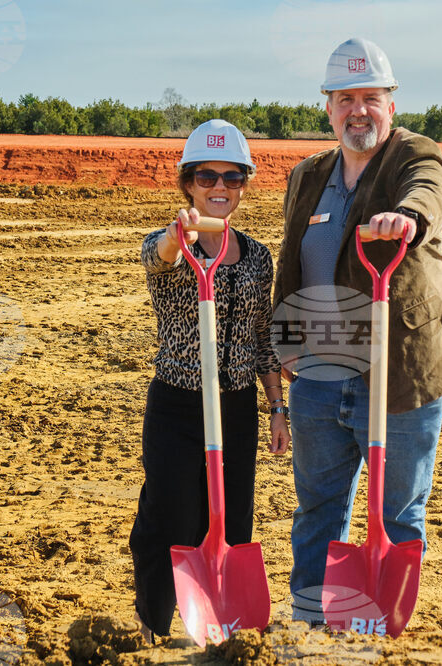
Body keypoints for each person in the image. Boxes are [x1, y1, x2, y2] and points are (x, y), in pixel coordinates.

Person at [273, 37, 442, 621]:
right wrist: (287, 344)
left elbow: (428, 193)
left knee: (397, 511)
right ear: (328, 106)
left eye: (370, 98)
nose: (357, 110)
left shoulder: (416, 155)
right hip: (319, 370)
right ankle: (311, 620)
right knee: (317, 507)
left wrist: (405, 218)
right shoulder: (308, 174)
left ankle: (382, 624)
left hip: (400, 367)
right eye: (345, 99)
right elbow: (292, 261)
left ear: (391, 103)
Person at [129, 119, 290, 641]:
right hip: (178, 406)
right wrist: (181, 237)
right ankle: (151, 622)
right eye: (206, 176)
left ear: (244, 183)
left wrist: (276, 407)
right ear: (188, 183)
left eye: (232, 177)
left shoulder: (258, 256)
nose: (219, 187)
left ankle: (221, 625)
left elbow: (262, 335)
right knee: (169, 517)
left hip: (238, 404)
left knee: (232, 521)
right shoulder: (173, 245)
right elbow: (155, 256)